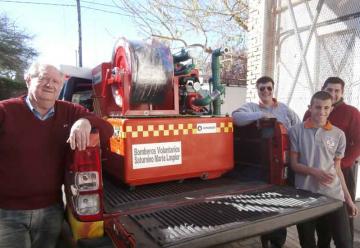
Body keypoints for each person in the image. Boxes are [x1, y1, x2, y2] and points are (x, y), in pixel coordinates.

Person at [0, 62, 114, 248]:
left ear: (61, 86)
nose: (50, 85)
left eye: (55, 81)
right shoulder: (5, 111)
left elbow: (107, 129)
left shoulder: (68, 111)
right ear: (28, 80)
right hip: (7, 213)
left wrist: (84, 121)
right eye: (44, 78)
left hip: (51, 211)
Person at [232, 76, 301, 248]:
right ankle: (264, 240)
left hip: (282, 165)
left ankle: (278, 242)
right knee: (263, 203)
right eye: (262, 88)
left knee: (280, 203)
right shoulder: (251, 107)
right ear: (257, 90)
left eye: (268, 88)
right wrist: (262, 115)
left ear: (273, 89)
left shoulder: (284, 109)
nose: (266, 91)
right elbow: (235, 117)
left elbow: (297, 127)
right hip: (262, 165)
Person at [289, 91, 358, 248]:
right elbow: (294, 165)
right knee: (307, 242)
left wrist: (348, 200)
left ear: (331, 109)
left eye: (326, 108)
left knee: (345, 242)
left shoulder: (339, 135)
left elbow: (338, 170)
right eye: (318, 107)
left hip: (333, 196)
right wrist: (315, 172)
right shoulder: (296, 131)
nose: (322, 112)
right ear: (310, 108)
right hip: (305, 196)